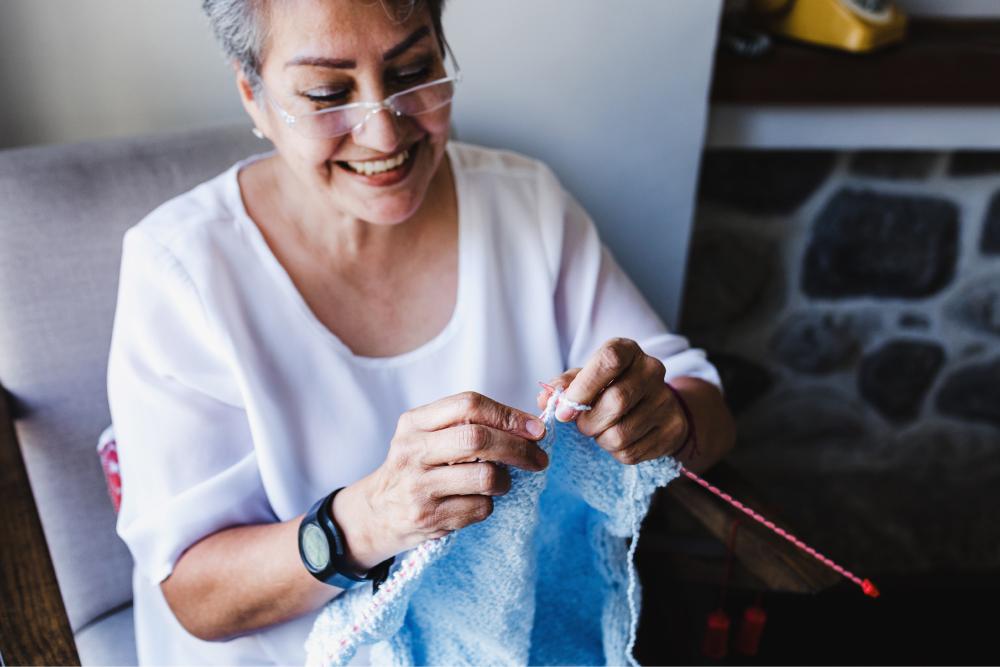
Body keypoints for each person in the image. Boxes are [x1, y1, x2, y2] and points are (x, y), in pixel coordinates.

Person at [107, 0, 736, 664]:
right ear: (253, 95)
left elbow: (709, 417)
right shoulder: (181, 271)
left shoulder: (526, 207)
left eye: (412, 71)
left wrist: (664, 415)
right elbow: (195, 596)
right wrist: (371, 518)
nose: (384, 135)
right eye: (328, 92)